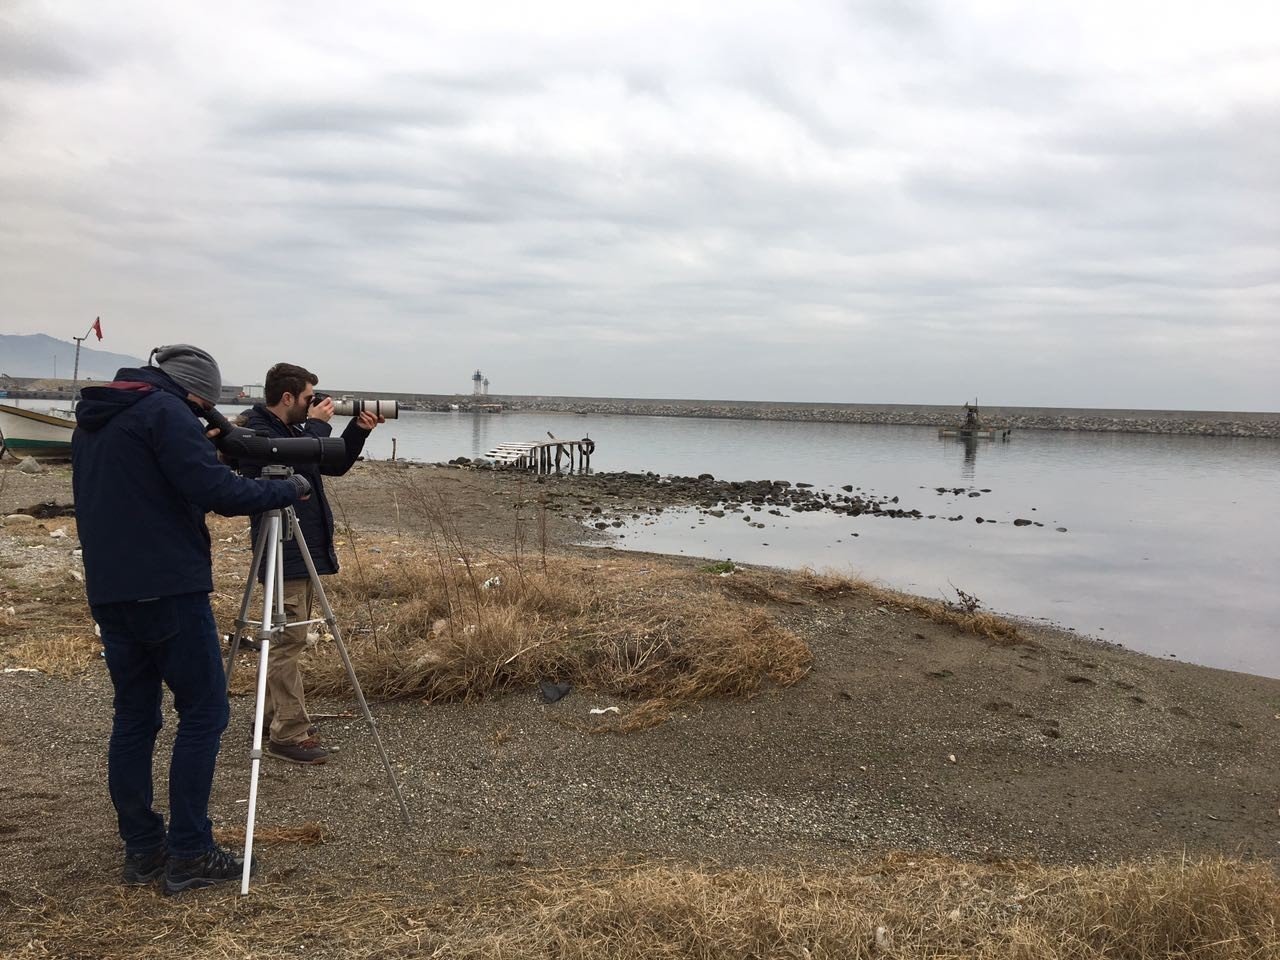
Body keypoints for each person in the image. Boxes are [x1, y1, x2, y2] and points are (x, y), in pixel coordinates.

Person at [73, 344, 312, 894]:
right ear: (196, 393)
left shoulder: (98, 418)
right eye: (206, 407)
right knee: (204, 711)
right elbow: (217, 493)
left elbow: (145, 486)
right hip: (168, 587)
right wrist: (286, 487)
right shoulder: (166, 412)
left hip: (111, 589)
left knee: (134, 718)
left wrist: (199, 453)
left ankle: (143, 849)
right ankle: (191, 851)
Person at [238, 363, 380, 765]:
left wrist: (358, 431)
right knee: (288, 642)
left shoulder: (289, 432)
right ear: (288, 398)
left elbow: (329, 463)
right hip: (284, 550)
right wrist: (317, 428)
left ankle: (269, 718)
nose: (314, 404)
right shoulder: (259, 432)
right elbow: (287, 471)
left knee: (286, 638)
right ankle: (289, 732)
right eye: (307, 398)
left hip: (300, 549)